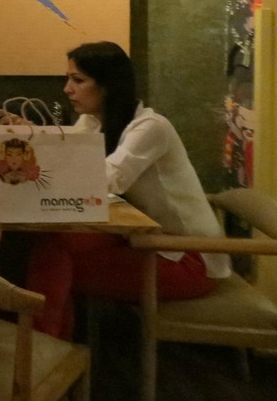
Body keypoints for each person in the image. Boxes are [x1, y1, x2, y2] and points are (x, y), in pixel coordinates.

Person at [26, 41, 230, 339]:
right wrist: (27, 135)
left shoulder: (150, 127)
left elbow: (108, 180)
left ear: (108, 86)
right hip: (145, 239)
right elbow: (65, 154)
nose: (67, 89)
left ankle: (44, 344)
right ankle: (49, 342)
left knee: (55, 266)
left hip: (188, 256)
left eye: (78, 80)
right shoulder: (93, 121)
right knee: (54, 244)